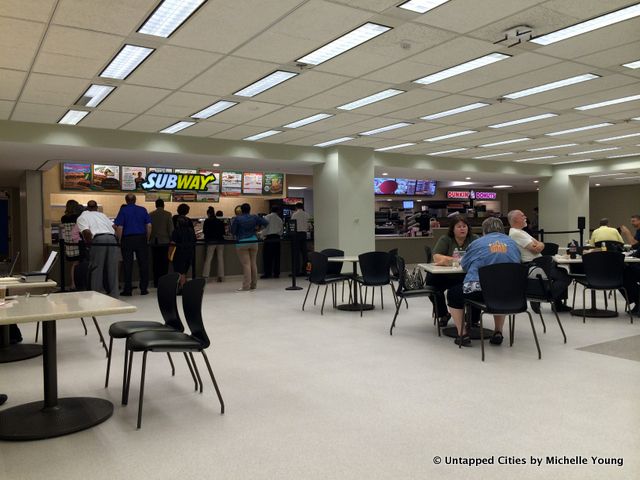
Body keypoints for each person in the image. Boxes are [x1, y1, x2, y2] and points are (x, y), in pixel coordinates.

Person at [446, 217, 521, 346]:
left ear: (484, 231)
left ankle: (462, 334)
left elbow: (464, 265)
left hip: (480, 290)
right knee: (498, 295)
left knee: (453, 294)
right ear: (503, 230)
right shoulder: (513, 244)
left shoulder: (477, 243)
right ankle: (498, 332)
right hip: (509, 292)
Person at [507, 209, 572, 312]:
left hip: (539, 262)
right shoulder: (516, 234)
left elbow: (540, 244)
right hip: (534, 265)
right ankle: (541, 296)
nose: (525, 218)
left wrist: (540, 244)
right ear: (515, 219)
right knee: (565, 277)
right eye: (522, 216)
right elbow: (536, 248)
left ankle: (557, 304)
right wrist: (540, 245)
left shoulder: (522, 232)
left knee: (563, 272)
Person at [429, 215, 479, 327]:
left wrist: (447, 260)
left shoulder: (474, 238)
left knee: (477, 285)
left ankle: (473, 319)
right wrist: (460, 260)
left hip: (466, 276)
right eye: (459, 226)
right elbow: (436, 257)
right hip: (447, 276)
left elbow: (479, 256)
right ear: (453, 229)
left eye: (464, 226)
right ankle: (444, 314)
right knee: (431, 283)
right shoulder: (445, 239)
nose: (462, 229)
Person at [76, 200, 119, 297]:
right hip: (112, 239)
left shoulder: (82, 217)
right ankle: (114, 294)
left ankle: (97, 294)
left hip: (98, 240)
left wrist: (89, 245)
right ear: (96, 208)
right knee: (112, 268)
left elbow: (86, 232)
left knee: (97, 268)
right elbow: (115, 227)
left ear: (87, 207)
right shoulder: (102, 215)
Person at [114, 193, 151, 296]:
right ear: (135, 200)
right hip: (141, 238)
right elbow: (149, 226)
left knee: (127, 265)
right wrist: (147, 239)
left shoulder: (123, 210)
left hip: (127, 239)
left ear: (126, 200)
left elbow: (120, 227)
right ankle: (144, 289)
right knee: (143, 264)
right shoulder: (142, 210)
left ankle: (128, 289)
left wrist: (120, 240)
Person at [230, 203, 268, 291]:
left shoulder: (237, 218)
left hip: (242, 242)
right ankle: (253, 285)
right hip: (254, 241)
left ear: (241, 210)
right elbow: (266, 223)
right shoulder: (254, 217)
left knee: (246, 264)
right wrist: (257, 229)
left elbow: (233, 231)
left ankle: (246, 286)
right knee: (253, 263)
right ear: (249, 209)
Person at [169, 203, 196, 289]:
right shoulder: (190, 230)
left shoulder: (176, 229)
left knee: (180, 270)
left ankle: (181, 287)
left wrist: (169, 254)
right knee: (184, 270)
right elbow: (194, 239)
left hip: (179, 252)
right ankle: (183, 284)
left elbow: (173, 242)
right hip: (189, 251)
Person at [60, 199, 84, 290]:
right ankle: (75, 284)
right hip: (77, 244)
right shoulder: (77, 218)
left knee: (73, 264)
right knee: (77, 264)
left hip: (68, 245)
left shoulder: (63, 218)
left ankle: (73, 283)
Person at [149, 198, 173, 288]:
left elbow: (149, 228)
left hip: (154, 242)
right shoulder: (168, 214)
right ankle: (164, 281)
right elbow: (170, 229)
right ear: (163, 205)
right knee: (164, 263)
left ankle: (156, 282)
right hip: (164, 242)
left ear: (155, 205)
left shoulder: (151, 214)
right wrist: (172, 239)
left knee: (155, 262)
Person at [202, 206, 225, 282]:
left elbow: (205, 232)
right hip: (220, 241)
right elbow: (223, 232)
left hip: (211, 241)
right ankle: (221, 277)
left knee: (208, 259)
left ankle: (206, 277)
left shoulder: (207, 221)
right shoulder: (219, 221)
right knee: (220, 258)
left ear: (208, 214)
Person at [260, 206, 283, 279]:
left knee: (267, 257)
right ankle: (276, 273)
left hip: (269, 239)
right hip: (277, 239)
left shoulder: (266, 217)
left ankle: (267, 273)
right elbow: (281, 231)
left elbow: (264, 229)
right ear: (278, 211)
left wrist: (262, 236)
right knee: (277, 257)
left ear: (270, 210)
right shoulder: (279, 219)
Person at [291, 202, 311, 275]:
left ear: (296, 207)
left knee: (296, 254)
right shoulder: (307, 214)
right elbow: (310, 226)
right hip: (304, 234)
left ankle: (296, 271)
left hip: (296, 235)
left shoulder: (294, 214)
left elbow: (292, 225)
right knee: (304, 253)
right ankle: (304, 270)